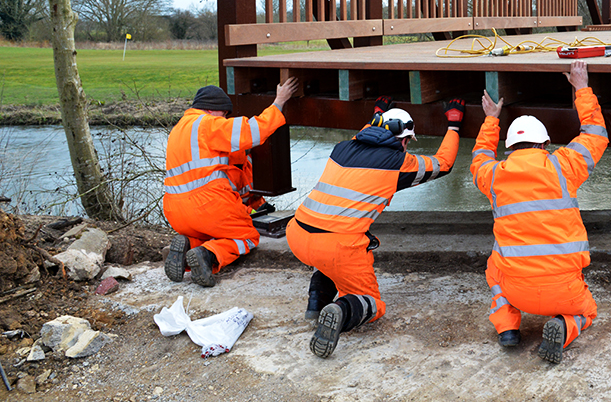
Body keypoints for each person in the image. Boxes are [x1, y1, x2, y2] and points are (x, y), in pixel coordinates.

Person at [287, 95, 464, 359]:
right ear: (404, 140)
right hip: (338, 246)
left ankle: (316, 305)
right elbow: (444, 164)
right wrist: (454, 125)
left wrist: (378, 111)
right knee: (373, 304)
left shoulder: (342, 148)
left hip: (297, 234)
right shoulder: (399, 163)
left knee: (326, 257)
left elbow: (365, 134)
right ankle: (341, 310)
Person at [471, 60, 608, 364]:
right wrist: (582, 89)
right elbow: (595, 134)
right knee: (587, 311)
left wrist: (491, 120)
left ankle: (507, 327)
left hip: (517, 291)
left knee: (494, 266)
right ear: (546, 144)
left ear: (510, 148)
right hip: (565, 290)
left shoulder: (494, 176)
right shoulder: (563, 166)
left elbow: (479, 158)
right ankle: (565, 325)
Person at [163, 78, 298, 287]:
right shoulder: (207, 124)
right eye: (224, 114)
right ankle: (208, 255)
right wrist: (279, 102)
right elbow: (252, 131)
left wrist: (252, 206)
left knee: (213, 233)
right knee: (247, 236)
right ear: (212, 109)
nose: (225, 118)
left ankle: (190, 244)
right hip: (207, 205)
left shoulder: (178, 130)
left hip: (176, 212)